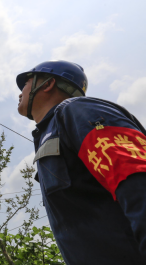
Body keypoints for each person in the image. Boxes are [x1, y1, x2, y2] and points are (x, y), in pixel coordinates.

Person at [16, 60, 146, 264]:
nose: (20, 91)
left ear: (47, 84)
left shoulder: (76, 110)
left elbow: (136, 176)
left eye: (25, 83)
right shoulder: (49, 133)